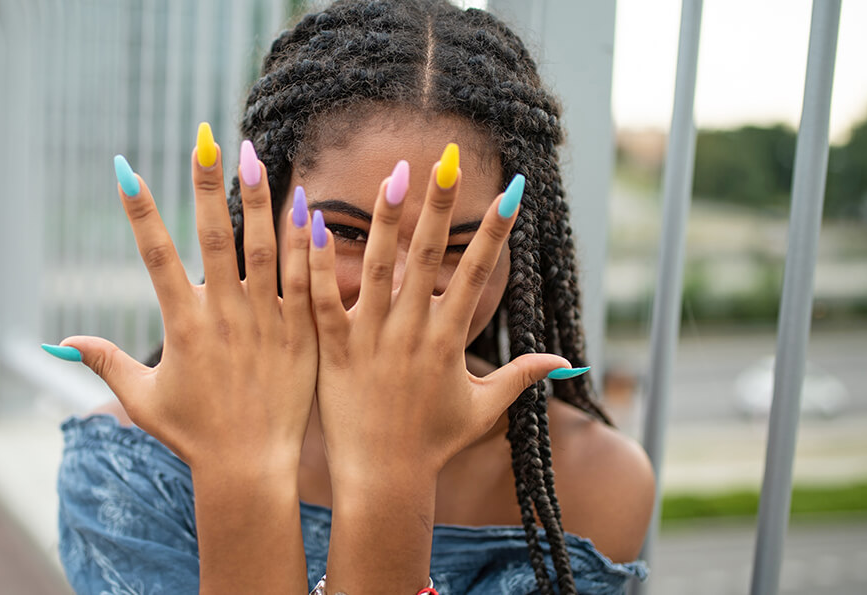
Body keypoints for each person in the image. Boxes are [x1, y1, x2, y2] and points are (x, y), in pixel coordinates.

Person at [44, 1, 655, 593]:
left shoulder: (593, 486)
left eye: (454, 246)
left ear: (519, 256)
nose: (396, 287)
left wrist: (390, 476)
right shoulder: (126, 469)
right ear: (267, 208)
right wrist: (241, 472)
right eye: (346, 231)